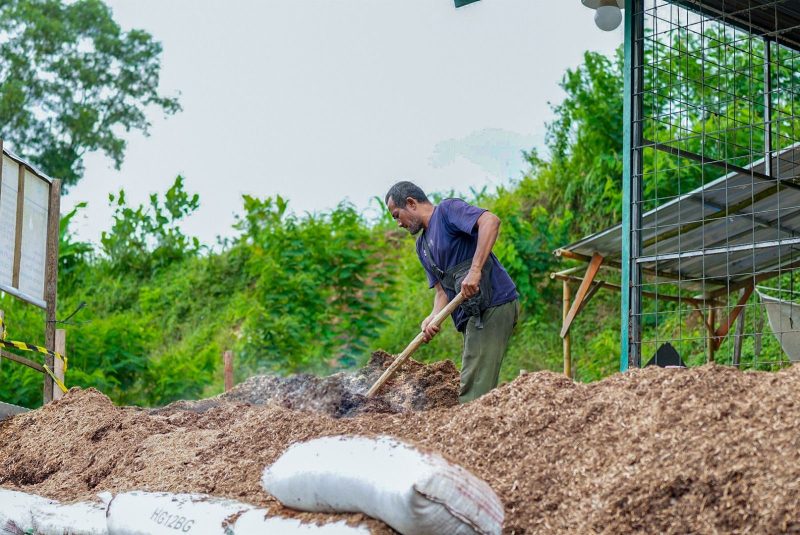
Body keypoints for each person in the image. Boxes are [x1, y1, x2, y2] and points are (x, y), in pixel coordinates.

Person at [385, 181, 519, 403]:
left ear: (411, 203)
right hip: (472, 315)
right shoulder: (422, 247)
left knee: (474, 391)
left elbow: (490, 221)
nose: (398, 223)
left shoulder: (447, 211)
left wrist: (475, 271)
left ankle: (474, 434)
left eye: (397, 215)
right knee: (475, 383)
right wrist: (432, 317)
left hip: (493, 304)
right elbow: (442, 292)